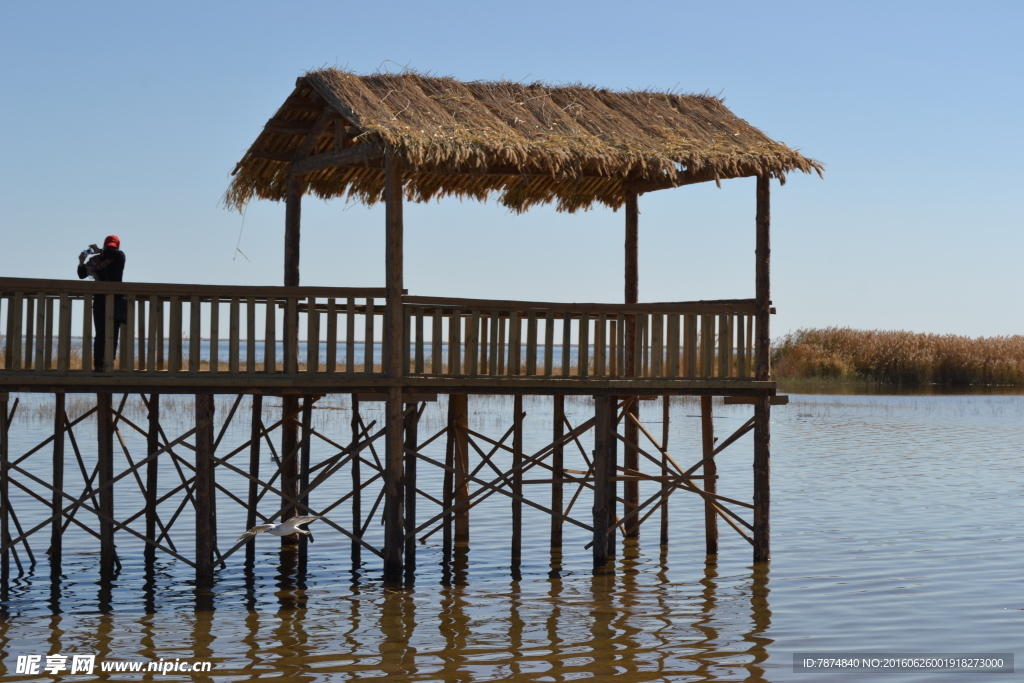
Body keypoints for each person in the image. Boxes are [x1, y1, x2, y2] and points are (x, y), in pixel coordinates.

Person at [78, 235, 126, 371]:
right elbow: (81, 275)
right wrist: (82, 261)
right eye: (108, 247)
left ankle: (108, 363)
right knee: (100, 334)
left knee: (113, 333)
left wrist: (100, 251)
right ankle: (98, 365)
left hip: (116, 300)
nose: (110, 249)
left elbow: (114, 255)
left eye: (112, 247)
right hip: (100, 300)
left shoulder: (120, 256)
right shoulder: (96, 260)